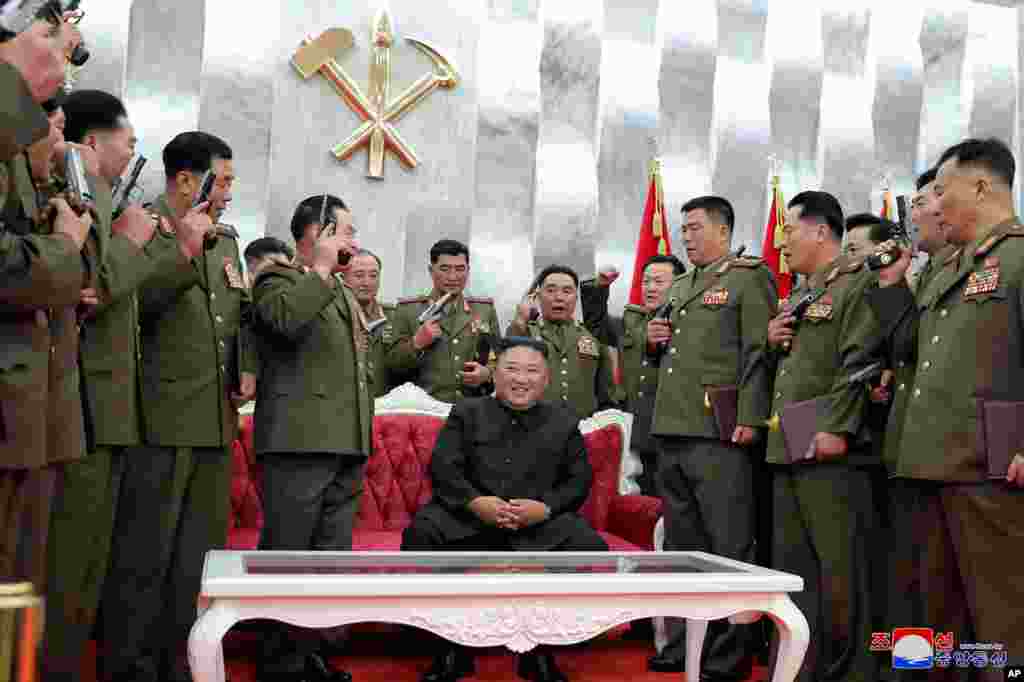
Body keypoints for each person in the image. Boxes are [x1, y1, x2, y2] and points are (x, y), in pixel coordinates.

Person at [98, 131, 251, 682]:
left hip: (214, 420)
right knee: (144, 556)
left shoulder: (228, 239)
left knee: (196, 561)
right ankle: (127, 666)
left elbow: (237, 316)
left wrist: (245, 368)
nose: (229, 192)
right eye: (223, 179)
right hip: (159, 418)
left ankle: (179, 663)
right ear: (186, 179)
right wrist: (183, 249)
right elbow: (131, 305)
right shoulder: (144, 226)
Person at [870, 138, 1024, 681]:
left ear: (981, 187)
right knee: (938, 624)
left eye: (943, 190)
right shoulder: (954, 267)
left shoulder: (1018, 257)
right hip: (932, 466)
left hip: (991, 469)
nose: (935, 204)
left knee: (1001, 623)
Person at [41, 88, 167, 682]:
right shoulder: (74, 192)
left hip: (111, 409)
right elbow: (89, 289)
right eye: (129, 140)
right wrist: (132, 241)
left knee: (92, 568)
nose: (134, 151)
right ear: (93, 142)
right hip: (81, 404)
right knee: (66, 571)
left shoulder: (106, 198)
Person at [402, 336, 607, 682]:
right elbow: (443, 468)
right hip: (470, 520)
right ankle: (448, 648)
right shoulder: (467, 411)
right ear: (494, 374)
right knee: (422, 534)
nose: (521, 379)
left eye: (531, 371)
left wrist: (544, 509)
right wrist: (475, 502)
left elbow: (577, 482)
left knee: (588, 547)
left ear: (546, 379)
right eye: (511, 369)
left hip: (538, 523)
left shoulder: (564, 420)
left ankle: (542, 649)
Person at [644, 197, 777, 679]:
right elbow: (668, 355)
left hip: (720, 431)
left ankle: (729, 650)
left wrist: (752, 415)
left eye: (696, 228)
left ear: (723, 230)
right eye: (683, 229)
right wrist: (652, 342)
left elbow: (758, 353)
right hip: (673, 427)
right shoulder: (681, 285)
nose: (687, 236)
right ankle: (682, 643)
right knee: (684, 545)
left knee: (728, 544)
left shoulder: (747, 278)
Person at [764, 190, 881, 682]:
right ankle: (801, 669)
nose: (782, 240)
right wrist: (771, 341)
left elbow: (863, 360)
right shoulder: (802, 293)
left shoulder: (859, 284)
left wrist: (837, 427)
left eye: (789, 229)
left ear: (819, 231)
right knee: (795, 572)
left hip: (832, 451)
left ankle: (851, 671)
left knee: (841, 572)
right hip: (791, 443)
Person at [250, 196, 368, 682]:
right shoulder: (278, 278)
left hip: (344, 444)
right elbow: (284, 321)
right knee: (289, 558)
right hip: (298, 445)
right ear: (315, 233)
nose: (353, 242)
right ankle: (279, 666)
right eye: (344, 232)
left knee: (328, 562)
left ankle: (312, 656)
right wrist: (319, 270)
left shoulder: (338, 290)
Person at [0, 2, 92, 598]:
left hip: (25, 415)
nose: (65, 72)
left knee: (15, 595)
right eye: (63, 50)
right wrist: (65, 246)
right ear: (32, 34)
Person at [580, 255, 686, 495]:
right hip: (633, 433)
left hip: (670, 434)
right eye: (646, 281)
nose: (650, 288)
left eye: (658, 282)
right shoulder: (633, 320)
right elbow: (595, 326)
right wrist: (600, 286)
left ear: (679, 285)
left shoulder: (688, 323)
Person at [388, 239, 499, 403]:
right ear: (431, 270)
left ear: (468, 271)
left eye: (460, 269)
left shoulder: (484, 310)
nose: (453, 277)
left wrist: (487, 374)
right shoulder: (408, 311)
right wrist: (416, 344)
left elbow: (500, 359)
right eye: (445, 269)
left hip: (471, 411)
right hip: (424, 411)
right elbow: (392, 366)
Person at [506, 265, 614, 419]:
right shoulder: (525, 331)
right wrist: (520, 321)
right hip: (532, 430)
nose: (559, 297)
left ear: (576, 298)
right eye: (551, 290)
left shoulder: (592, 337)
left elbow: (607, 395)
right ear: (537, 296)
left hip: (581, 430)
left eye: (567, 291)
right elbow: (506, 368)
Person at [344, 248, 397, 397]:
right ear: (343, 278)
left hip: (383, 405)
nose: (367, 282)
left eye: (373, 276)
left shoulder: (393, 317)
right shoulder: (333, 316)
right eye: (359, 275)